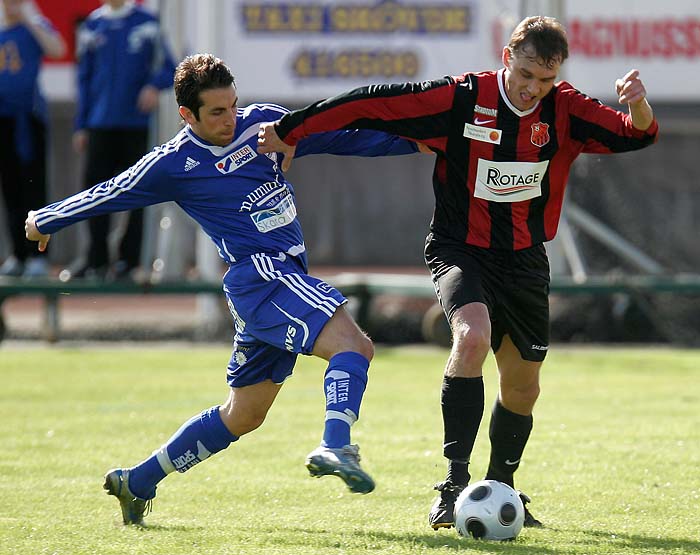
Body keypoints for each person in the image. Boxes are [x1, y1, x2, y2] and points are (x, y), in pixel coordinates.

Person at [257, 15, 659, 530]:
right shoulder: (461, 98)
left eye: (545, 80)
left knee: (523, 387)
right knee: (471, 338)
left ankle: (503, 487)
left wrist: (639, 104)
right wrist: (294, 130)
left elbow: (636, 135)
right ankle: (452, 484)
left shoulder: (566, 109)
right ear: (507, 56)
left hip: (524, 258)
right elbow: (369, 101)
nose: (533, 88)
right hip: (459, 248)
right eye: (526, 74)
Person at [25, 53, 420, 525]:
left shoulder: (262, 125)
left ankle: (139, 480)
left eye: (233, 105)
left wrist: (421, 142)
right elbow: (112, 190)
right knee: (354, 345)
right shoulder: (173, 163)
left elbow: (342, 137)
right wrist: (46, 218)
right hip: (262, 277)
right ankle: (336, 446)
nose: (230, 118)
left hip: (274, 281)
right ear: (186, 115)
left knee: (244, 414)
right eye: (216, 111)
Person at [65, 0, 176, 280]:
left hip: (135, 125)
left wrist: (153, 86)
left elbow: (170, 67)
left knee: (136, 192)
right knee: (93, 194)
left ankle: (128, 260)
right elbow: (84, 78)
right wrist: (81, 124)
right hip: (99, 124)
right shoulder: (93, 25)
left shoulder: (147, 23)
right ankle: (95, 259)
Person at [0, 0, 65, 277]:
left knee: (34, 186)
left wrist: (29, 19)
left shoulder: (35, 25)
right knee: (10, 188)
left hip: (30, 118)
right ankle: (17, 253)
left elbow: (57, 49)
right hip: (4, 119)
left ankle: (39, 255)